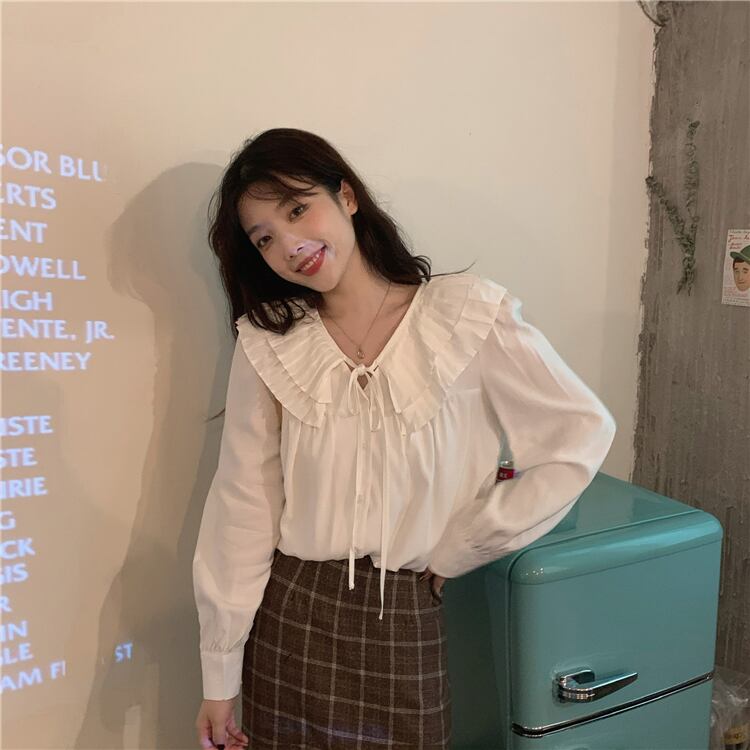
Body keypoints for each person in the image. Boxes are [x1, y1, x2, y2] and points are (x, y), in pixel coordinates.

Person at [192, 128, 617, 749]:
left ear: (346, 197)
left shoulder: (466, 316)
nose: (289, 244)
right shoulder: (270, 343)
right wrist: (219, 674)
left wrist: (462, 545)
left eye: (297, 209)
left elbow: (579, 434)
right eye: (265, 239)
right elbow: (243, 504)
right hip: (289, 615)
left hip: (404, 615)